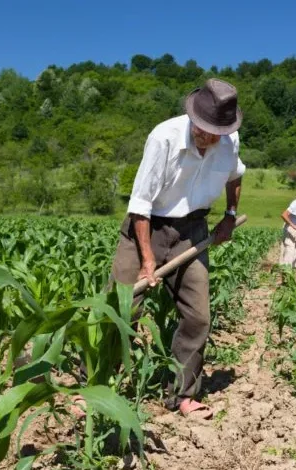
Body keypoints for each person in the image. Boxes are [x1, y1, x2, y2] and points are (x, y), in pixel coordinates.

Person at [109, 78, 244, 419]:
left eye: (216, 131)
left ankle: (183, 395)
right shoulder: (163, 137)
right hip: (147, 226)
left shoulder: (229, 143)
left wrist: (229, 215)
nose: (208, 137)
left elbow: (235, 175)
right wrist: (147, 259)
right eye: (203, 128)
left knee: (198, 317)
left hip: (193, 232)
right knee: (120, 309)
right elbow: (139, 204)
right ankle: (93, 384)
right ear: (193, 116)